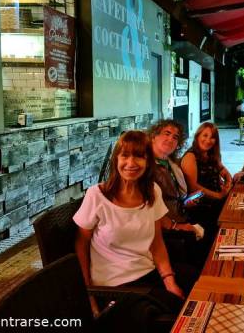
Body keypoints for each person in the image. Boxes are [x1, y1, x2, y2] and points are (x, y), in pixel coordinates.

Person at [73, 131, 196, 326]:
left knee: (196, 282)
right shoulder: (97, 195)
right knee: (177, 309)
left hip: (148, 273)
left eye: (139, 156)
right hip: (115, 285)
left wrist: (169, 280)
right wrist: (89, 296)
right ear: (116, 159)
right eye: (125, 155)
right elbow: (81, 245)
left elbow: (157, 243)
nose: (131, 163)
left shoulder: (152, 191)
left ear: (148, 161)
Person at [149, 119, 210, 267]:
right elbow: (150, 208)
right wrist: (176, 226)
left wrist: (188, 201)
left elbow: (176, 198)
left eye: (175, 137)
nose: (170, 139)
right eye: (167, 133)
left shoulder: (171, 163)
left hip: (181, 216)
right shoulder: (146, 166)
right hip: (165, 230)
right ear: (153, 136)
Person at [181, 122, 232, 238]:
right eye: (205, 135)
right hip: (202, 208)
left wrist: (228, 184)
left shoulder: (210, 155)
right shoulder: (191, 156)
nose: (208, 140)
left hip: (216, 203)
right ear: (197, 136)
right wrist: (218, 195)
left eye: (212, 137)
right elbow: (193, 187)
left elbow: (224, 172)